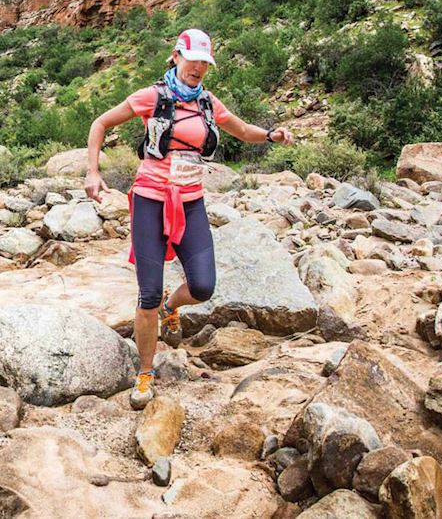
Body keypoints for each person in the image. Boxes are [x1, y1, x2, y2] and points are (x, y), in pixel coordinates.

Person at [84, 28, 294, 409]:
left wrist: (271, 135)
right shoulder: (153, 96)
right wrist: (93, 172)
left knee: (204, 286)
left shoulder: (208, 103)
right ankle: (145, 374)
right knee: (147, 294)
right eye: (193, 59)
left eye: (204, 62)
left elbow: (242, 130)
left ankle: (172, 306)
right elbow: (100, 124)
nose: (198, 67)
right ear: (177, 56)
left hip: (191, 201)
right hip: (150, 200)